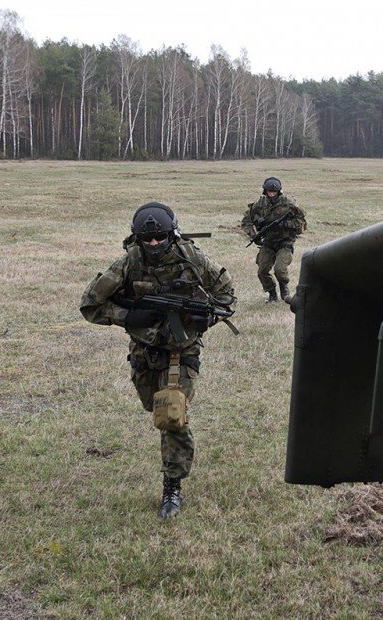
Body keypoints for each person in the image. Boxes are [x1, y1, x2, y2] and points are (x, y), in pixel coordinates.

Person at [80, 202, 235, 519]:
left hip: (181, 351)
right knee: (154, 407)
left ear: (171, 233)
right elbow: (90, 305)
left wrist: (205, 320)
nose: (154, 244)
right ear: (137, 238)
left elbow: (227, 296)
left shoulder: (192, 258)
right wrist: (129, 315)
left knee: (170, 416)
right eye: (147, 239)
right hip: (145, 353)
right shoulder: (128, 263)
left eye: (160, 237)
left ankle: (172, 488)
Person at [241, 177, 307, 302]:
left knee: (279, 269)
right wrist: (253, 236)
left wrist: (284, 225)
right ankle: (272, 294)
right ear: (265, 191)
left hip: (285, 242)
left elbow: (301, 223)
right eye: (269, 191)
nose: (271, 194)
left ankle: (284, 288)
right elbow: (246, 221)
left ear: (279, 191)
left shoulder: (289, 203)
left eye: (274, 191)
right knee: (262, 271)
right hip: (268, 242)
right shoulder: (260, 204)